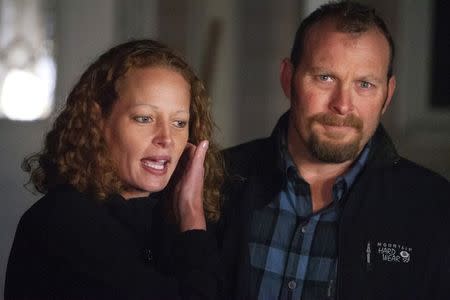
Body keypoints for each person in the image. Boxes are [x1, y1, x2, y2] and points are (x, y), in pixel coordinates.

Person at [218, 1, 450, 299]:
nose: (342, 105)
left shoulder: (435, 208)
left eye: (365, 84)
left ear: (387, 95)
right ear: (288, 78)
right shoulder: (216, 182)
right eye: (325, 77)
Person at [5, 39, 224, 299]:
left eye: (179, 122)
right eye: (144, 118)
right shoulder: (65, 221)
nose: (166, 138)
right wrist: (192, 213)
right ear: (98, 120)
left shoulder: (162, 220)